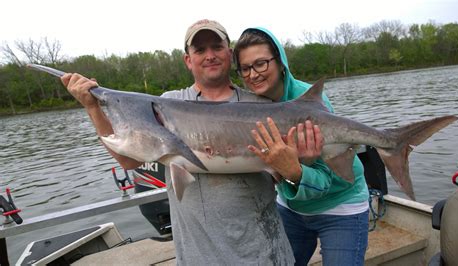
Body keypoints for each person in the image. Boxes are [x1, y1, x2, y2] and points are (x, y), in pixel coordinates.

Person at [60, 20, 295, 265]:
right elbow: (129, 160)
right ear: (187, 60)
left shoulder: (262, 105)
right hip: (198, 258)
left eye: (217, 47)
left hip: (267, 254)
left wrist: (294, 172)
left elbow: (297, 172)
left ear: (230, 54)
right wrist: (93, 107)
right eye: (200, 50)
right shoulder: (165, 104)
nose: (210, 55)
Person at [234, 27, 370, 266]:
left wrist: (301, 166)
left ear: (281, 62)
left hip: (340, 203)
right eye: (245, 68)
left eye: (261, 63)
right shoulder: (250, 106)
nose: (253, 74)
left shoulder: (309, 101)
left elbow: (326, 180)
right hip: (292, 208)